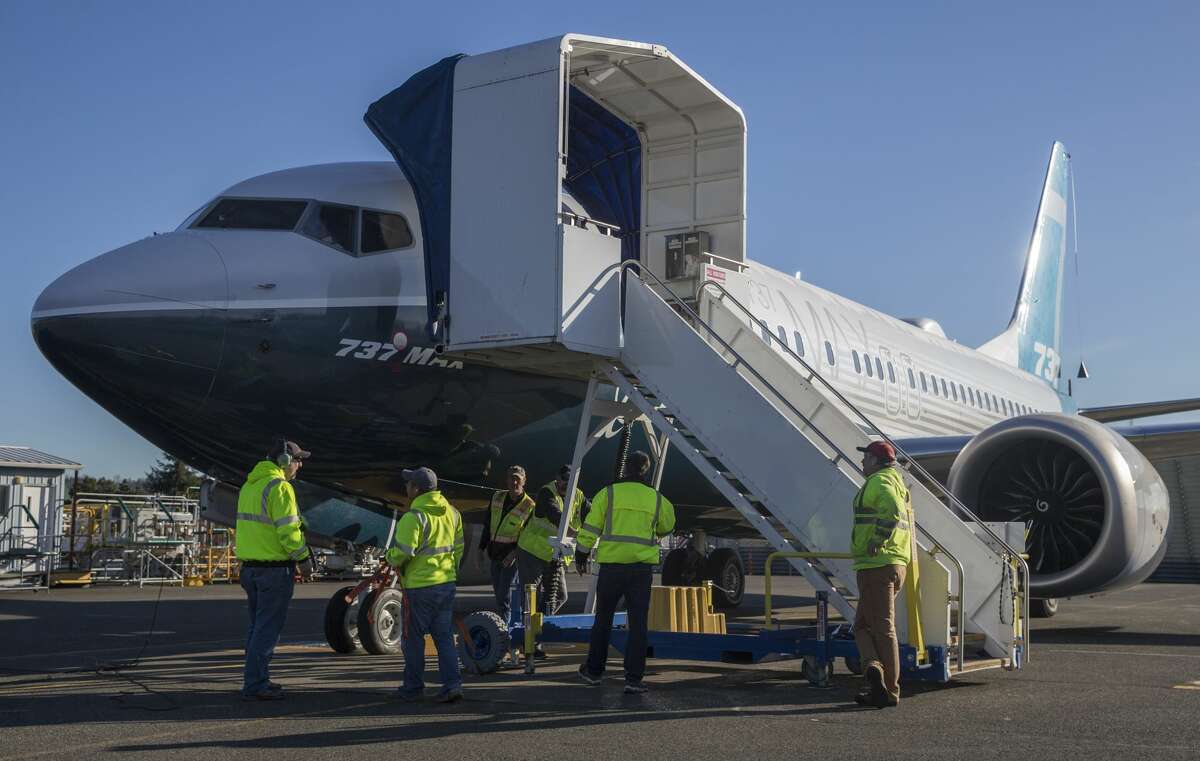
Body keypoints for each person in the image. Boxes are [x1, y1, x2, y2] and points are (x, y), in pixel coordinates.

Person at [575, 451, 675, 695]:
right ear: (645, 470)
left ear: (626, 468)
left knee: (603, 620)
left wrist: (581, 553)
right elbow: (668, 525)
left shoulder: (608, 493)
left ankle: (594, 672)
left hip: (611, 567)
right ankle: (633, 678)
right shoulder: (657, 498)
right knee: (638, 624)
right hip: (641, 570)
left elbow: (591, 526)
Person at [235, 438, 314, 701]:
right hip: (274, 570)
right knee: (267, 628)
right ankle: (255, 684)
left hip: (250, 569)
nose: (300, 465)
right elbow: (288, 532)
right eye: (297, 460)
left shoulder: (249, 485)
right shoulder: (279, 487)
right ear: (283, 461)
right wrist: (303, 558)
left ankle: (256, 678)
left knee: (257, 626)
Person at [385, 466, 466, 703]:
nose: (405, 487)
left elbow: (403, 552)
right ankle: (453, 685)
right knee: (443, 638)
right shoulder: (452, 513)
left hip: (419, 587)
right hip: (445, 584)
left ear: (416, 489)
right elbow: (458, 548)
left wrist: (389, 557)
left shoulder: (414, 517)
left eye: (408, 483)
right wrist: (449, 572)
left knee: (412, 640)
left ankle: (413, 687)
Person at [850, 440, 913, 709]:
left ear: (875, 461)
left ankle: (888, 689)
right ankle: (875, 674)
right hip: (896, 564)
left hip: (877, 564)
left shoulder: (879, 482)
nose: (862, 462)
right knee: (863, 627)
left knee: (882, 628)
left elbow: (891, 509)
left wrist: (877, 538)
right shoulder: (899, 482)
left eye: (866, 458)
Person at [516, 464, 591, 616]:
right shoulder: (547, 492)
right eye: (564, 480)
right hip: (532, 551)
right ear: (557, 478)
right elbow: (556, 516)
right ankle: (528, 631)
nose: (566, 484)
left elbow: (592, 516)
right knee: (531, 595)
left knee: (559, 596)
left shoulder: (578, 496)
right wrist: (578, 535)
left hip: (553, 554)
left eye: (570, 482)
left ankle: (541, 624)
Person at [480, 465, 535, 625]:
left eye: (517, 478)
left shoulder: (529, 506)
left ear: (524, 481)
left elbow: (527, 536)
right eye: (511, 478)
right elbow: (488, 523)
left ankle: (506, 630)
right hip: (494, 554)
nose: (514, 482)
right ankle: (506, 626)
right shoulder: (497, 497)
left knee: (505, 595)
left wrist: (513, 554)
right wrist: (480, 548)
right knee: (499, 594)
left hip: (511, 558)